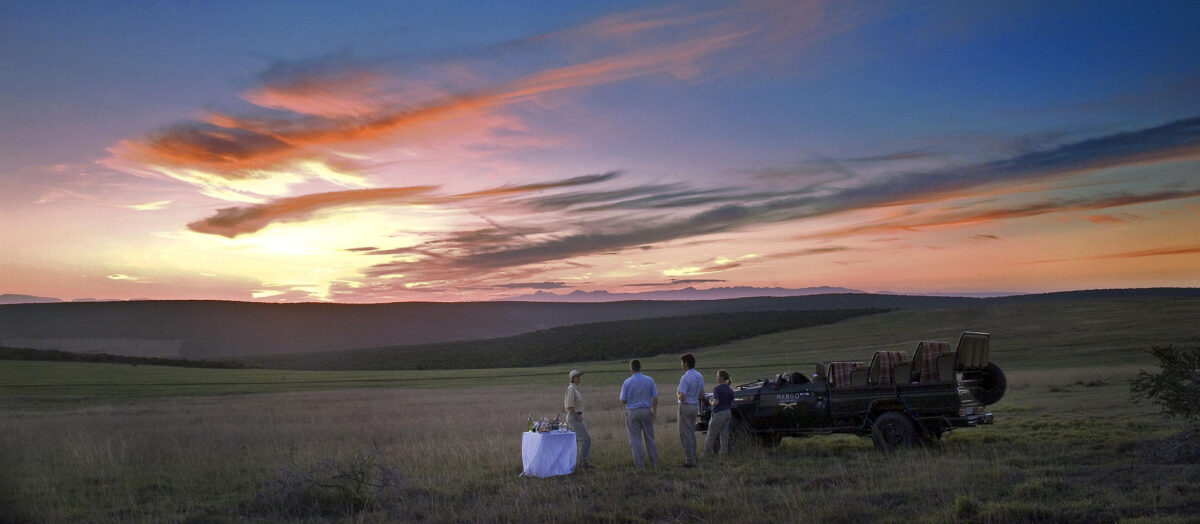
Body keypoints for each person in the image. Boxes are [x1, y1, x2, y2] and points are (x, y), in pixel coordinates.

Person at [619, 359, 658, 469]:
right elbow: (655, 397)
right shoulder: (650, 380)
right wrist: (654, 412)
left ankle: (640, 466)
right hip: (646, 410)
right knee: (650, 439)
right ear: (640, 367)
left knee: (635, 440)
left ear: (631, 368)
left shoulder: (627, 382)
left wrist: (632, 400)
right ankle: (654, 464)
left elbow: (623, 400)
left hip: (633, 412)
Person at [676, 353, 704, 467]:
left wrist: (677, 394)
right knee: (691, 433)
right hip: (694, 406)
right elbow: (702, 394)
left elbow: (682, 397)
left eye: (682, 363)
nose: (681, 365)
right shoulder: (699, 376)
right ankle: (694, 456)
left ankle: (689, 460)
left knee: (685, 434)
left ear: (686, 363)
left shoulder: (685, 377)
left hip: (686, 407)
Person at [564, 369, 592, 468]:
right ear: (573, 378)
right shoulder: (571, 388)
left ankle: (573, 462)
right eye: (577, 376)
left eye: (579, 376)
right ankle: (583, 462)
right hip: (573, 417)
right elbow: (569, 405)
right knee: (586, 439)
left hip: (575, 416)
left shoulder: (575, 388)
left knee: (575, 441)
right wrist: (577, 416)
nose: (579, 378)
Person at [703, 369, 735, 457]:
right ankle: (723, 454)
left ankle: (706, 454)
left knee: (711, 434)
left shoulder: (717, 389)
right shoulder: (730, 389)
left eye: (717, 376)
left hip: (719, 413)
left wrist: (710, 401)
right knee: (724, 434)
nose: (716, 378)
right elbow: (732, 402)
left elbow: (716, 402)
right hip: (728, 412)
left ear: (722, 378)